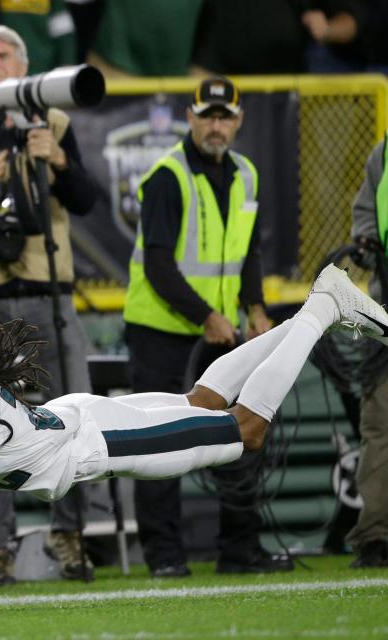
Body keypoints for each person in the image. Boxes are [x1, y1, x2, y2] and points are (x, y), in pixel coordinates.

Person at [0, 269, 388, 538]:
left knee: (241, 429)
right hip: (82, 421)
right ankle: (319, 303)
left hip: (97, 443)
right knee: (205, 399)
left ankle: (324, 309)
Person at [122, 76, 291, 578]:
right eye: (207, 116)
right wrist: (208, 317)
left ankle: (240, 550)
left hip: (222, 334)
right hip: (162, 332)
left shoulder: (247, 174)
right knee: (154, 443)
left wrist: (256, 309)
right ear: (190, 119)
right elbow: (157, 266)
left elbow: (251, 253)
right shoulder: (167, 176)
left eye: (225, 117)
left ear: (238, 121)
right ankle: (165, 556)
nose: (216, 125)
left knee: (243, 434)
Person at [0, 25, 99, 586]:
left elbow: (88, 201)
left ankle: (70, 539)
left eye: (3, 56)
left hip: (49, 293)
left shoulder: (54, 121)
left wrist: (60, 162)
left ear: (24, 66)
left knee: (75, 416)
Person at [344, 136, 388, 568]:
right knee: (379, 425)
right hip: (386, 309)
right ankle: (374, 536)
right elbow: (365, 217)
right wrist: (367, 243)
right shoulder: (384, 152)